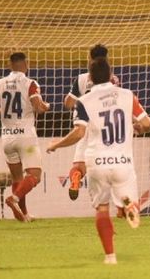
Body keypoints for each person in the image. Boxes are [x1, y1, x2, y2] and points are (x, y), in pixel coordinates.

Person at [47, 57, 150, 265]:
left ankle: (110, 257)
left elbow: (79, 133)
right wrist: (137, 128)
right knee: (127, 200)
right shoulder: (127, 95)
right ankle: (128, 205)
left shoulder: (83, 101)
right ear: (111, 74)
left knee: (102, 208)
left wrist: (57, 144)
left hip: (96, 162)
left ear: (91, 77)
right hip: (123, 162)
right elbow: (147, 123)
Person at [0, 52, 50, 222]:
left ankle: (24, 215)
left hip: (7, 138)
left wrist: (3, 111)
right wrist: (46, 106)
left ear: (10, 65)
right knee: (34, 176)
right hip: (26, 137)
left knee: (17, 178)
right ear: (26, 64)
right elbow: (39, 107)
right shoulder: (30, 84)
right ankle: (14, 198)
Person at [63, 44, 119, 200]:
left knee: (79, 165)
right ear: (107, 59)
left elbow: (68, 103)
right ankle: (116, 200)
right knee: (110, 164)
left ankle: (75, 180)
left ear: (90, 58)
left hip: (84, 125)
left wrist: (78, 103)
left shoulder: (81, 79)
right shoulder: (112, 79)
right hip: (105, 126)